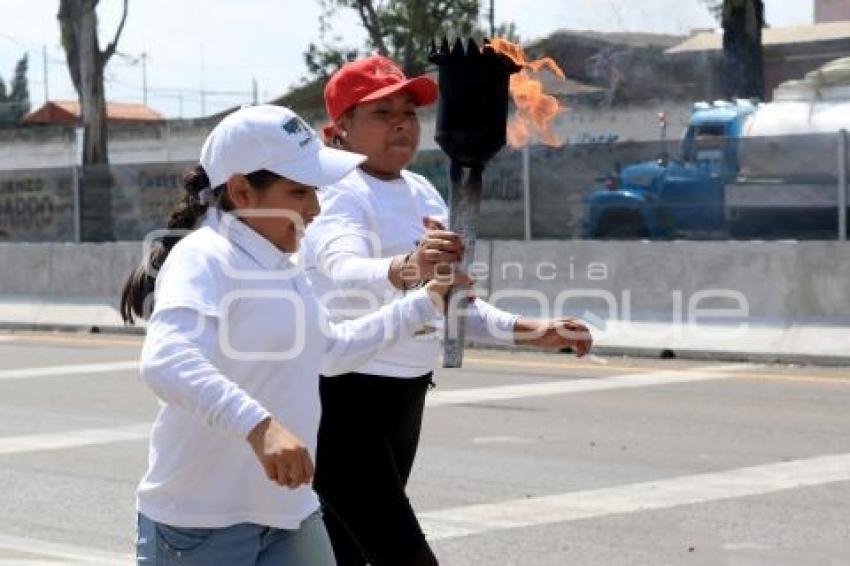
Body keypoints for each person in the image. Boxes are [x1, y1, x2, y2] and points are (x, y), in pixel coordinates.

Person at [120, 104, 467, 566]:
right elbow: (167, 362)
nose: (315, 208)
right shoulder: (204, 257)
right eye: (299, 191)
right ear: (243, 191)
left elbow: (330, 351)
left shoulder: (284, 263)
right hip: (201, 527)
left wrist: (427, 301)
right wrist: (260, 428)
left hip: (292, 517)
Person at [303, 56, 594, 566]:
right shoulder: (336, 194)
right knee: (402, 554)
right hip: (344, 401)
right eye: (381, 112)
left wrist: (531, 331)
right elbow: (343, 266)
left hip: (404, 396)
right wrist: (407, 267)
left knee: (347, 552)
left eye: (409, 111)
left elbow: (451, 302)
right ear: (340, 130)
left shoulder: (421, 191)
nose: (400, 121)